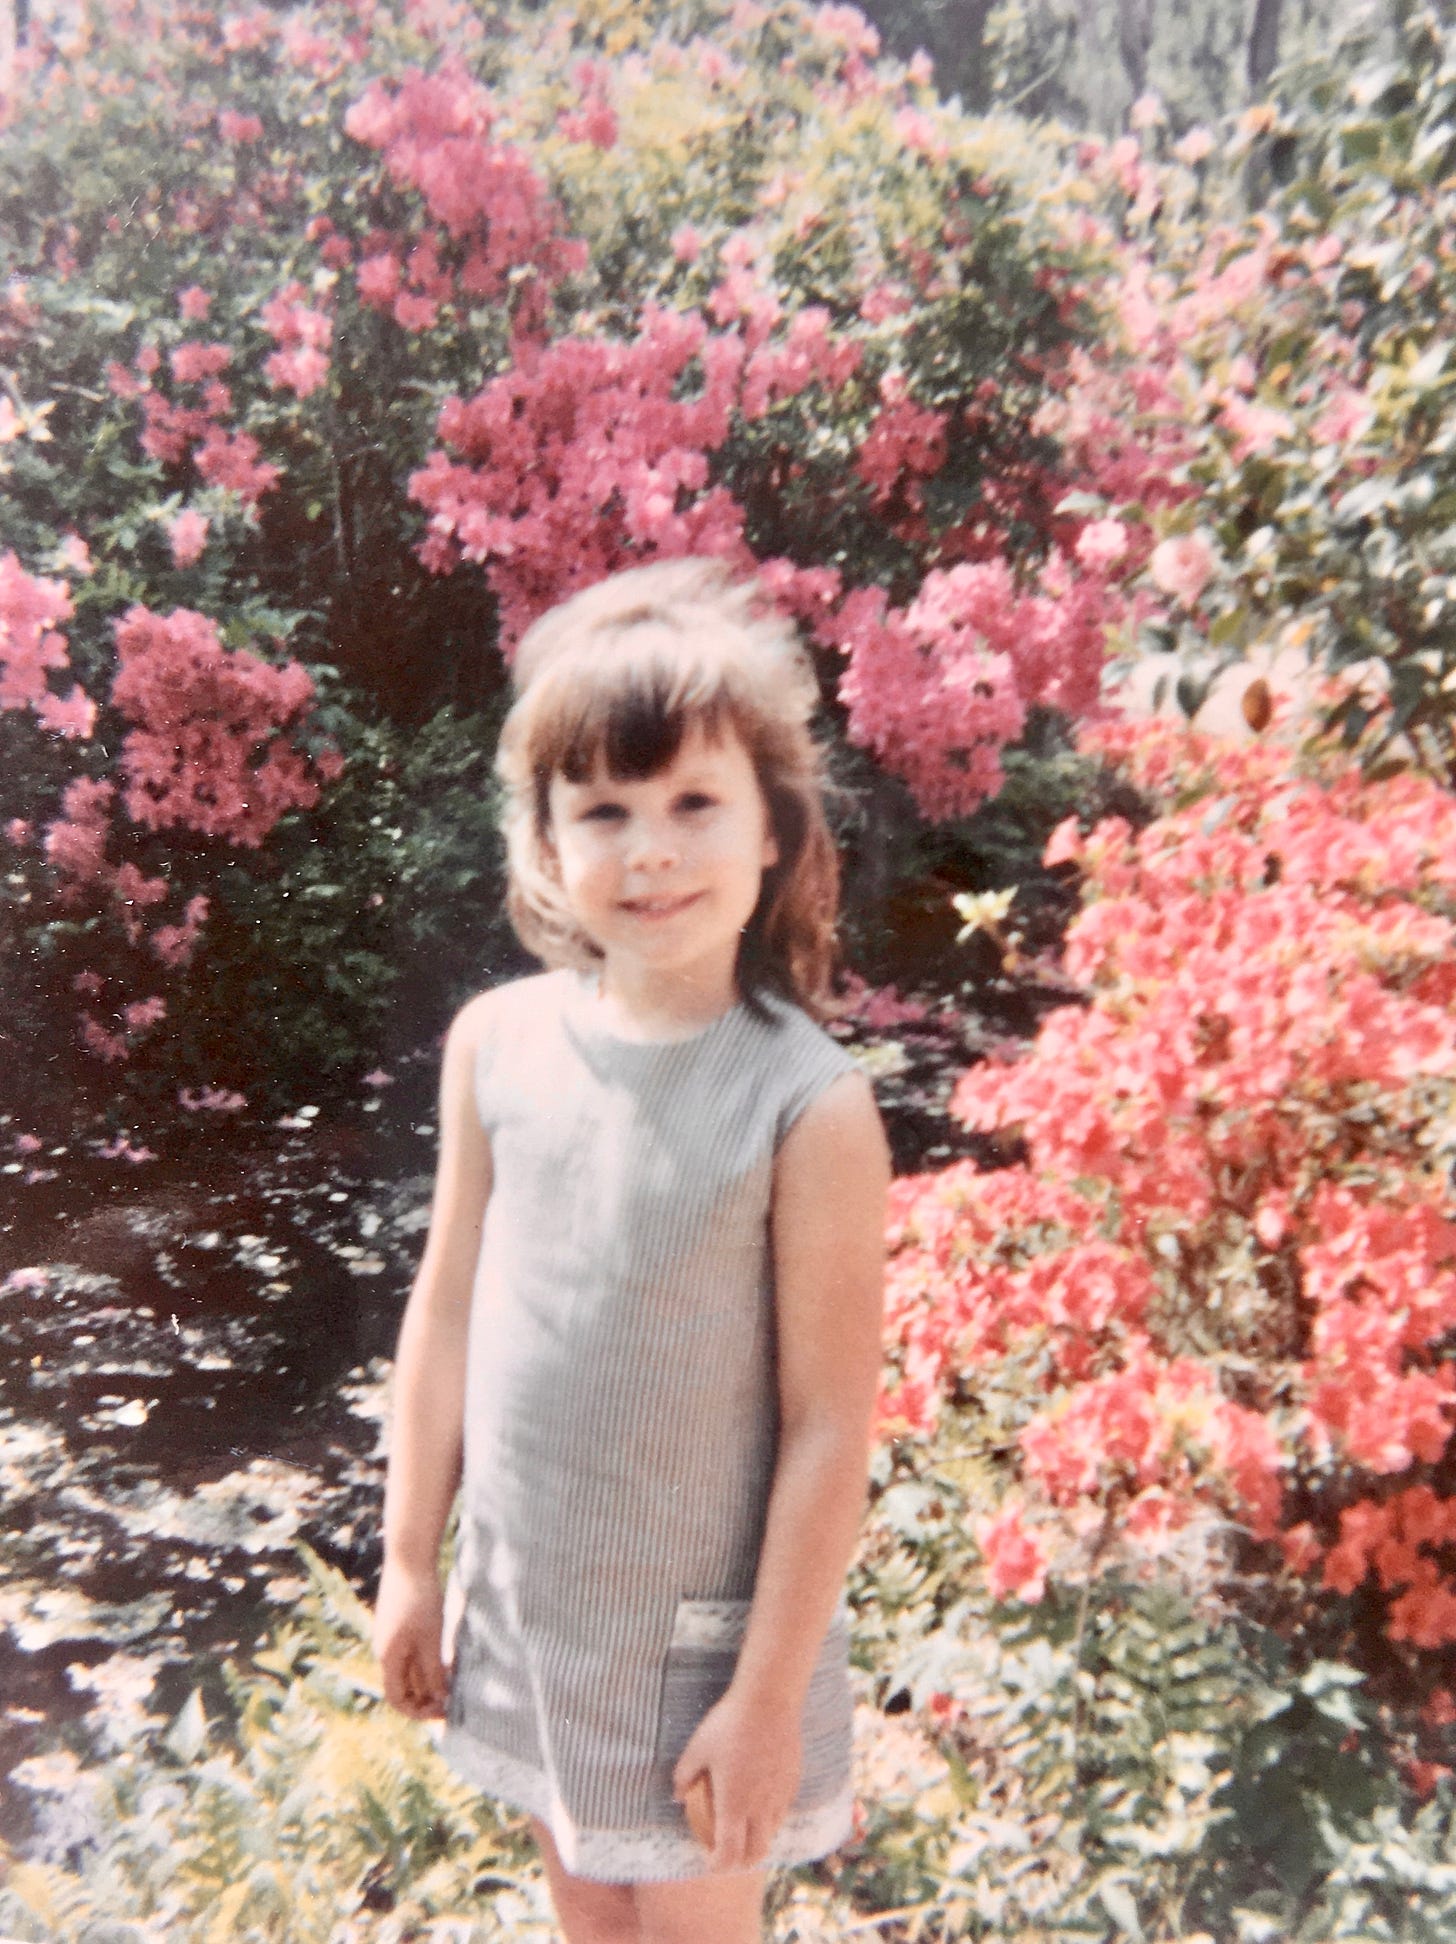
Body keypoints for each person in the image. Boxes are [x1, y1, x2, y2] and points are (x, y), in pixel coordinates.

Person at [372, 557, 890, 1944]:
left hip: (703, 1651)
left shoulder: (807, 1106)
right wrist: (411, 1559)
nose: (648, 850)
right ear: (545, 840)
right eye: (602, 809)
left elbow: (830, 1428)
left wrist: (767, 1695)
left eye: (693, 804)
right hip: (539, 1608)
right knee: (588, 1915)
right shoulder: (497, 1043)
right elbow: (449, 1314)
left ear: (771, 831)